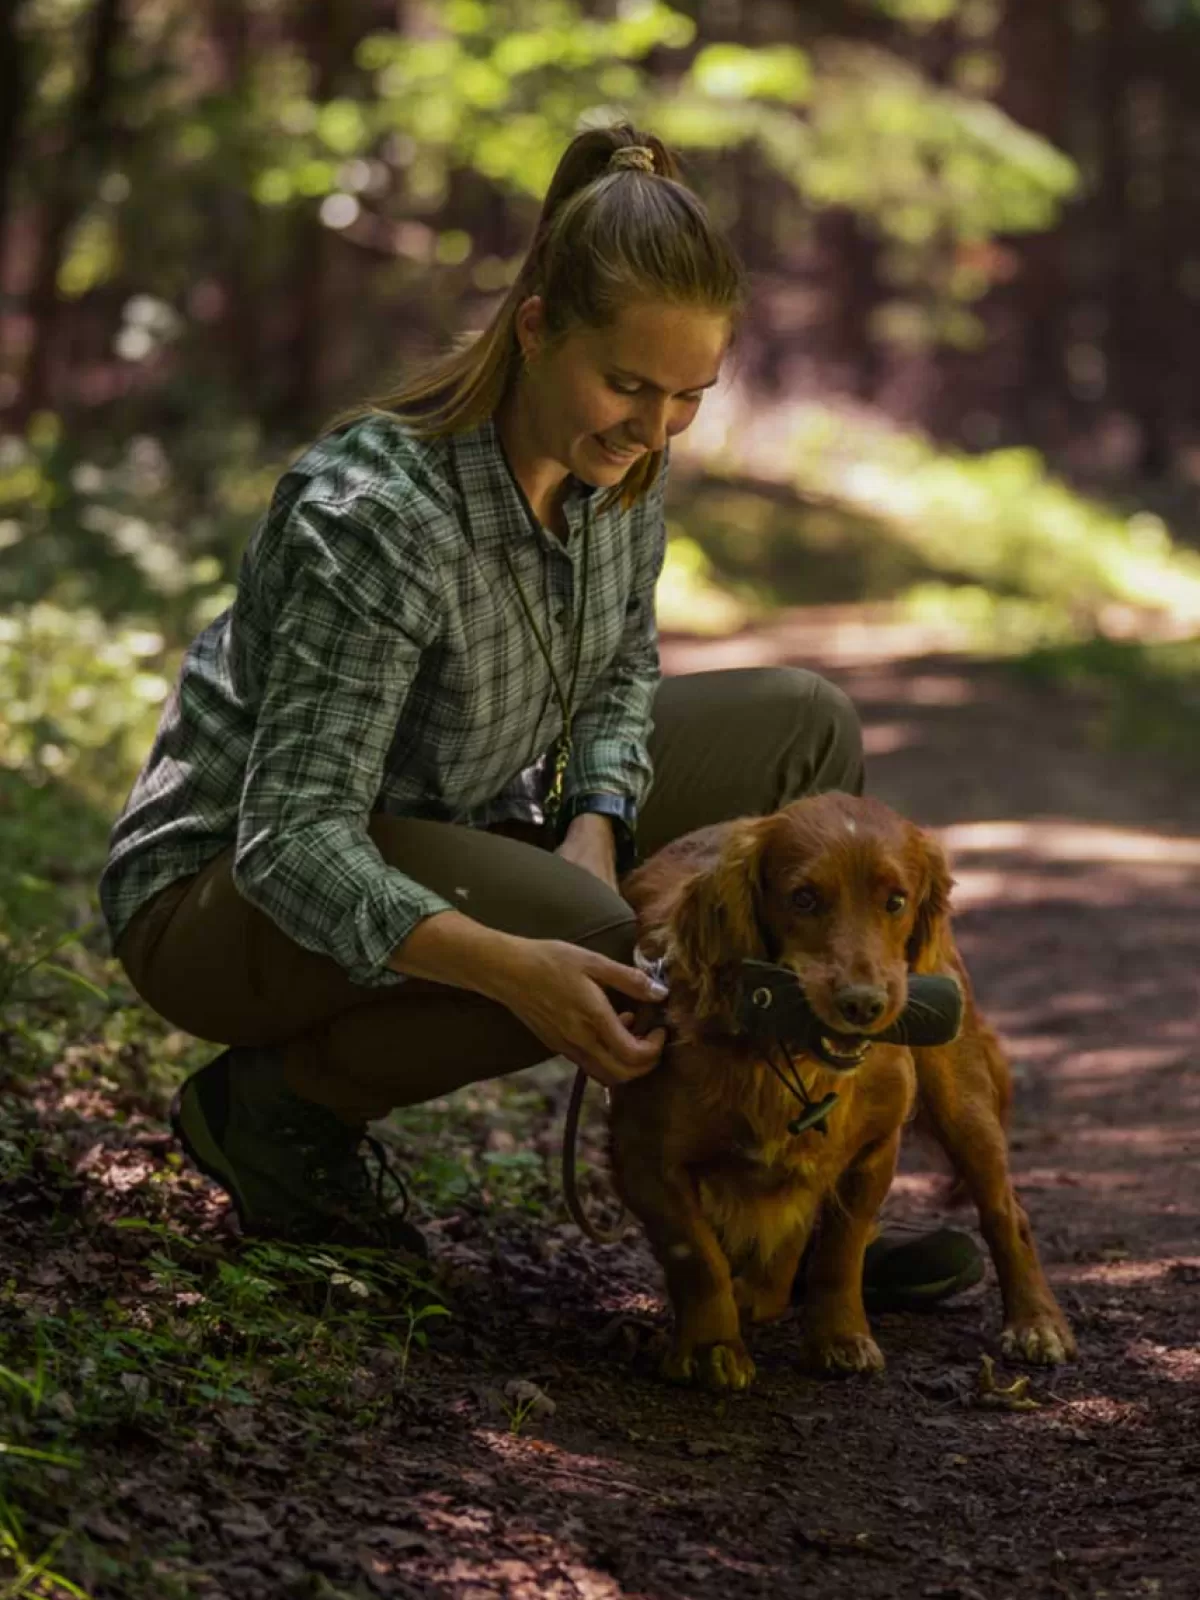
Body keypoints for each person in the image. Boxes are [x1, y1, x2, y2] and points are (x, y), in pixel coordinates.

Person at [100, 123, 982, 1310]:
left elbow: (620, 675)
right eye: (627, 384)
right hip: (226, 904)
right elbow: (292, 839)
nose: (654, 428)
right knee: (596, 939)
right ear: (533, 329)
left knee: (803, 732)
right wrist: (522, 967)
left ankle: (794, 1187)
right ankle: (273, 1112)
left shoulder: (622, 471)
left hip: (453, 821)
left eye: (689, 396)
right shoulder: (376, 515)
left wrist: (598, 813)